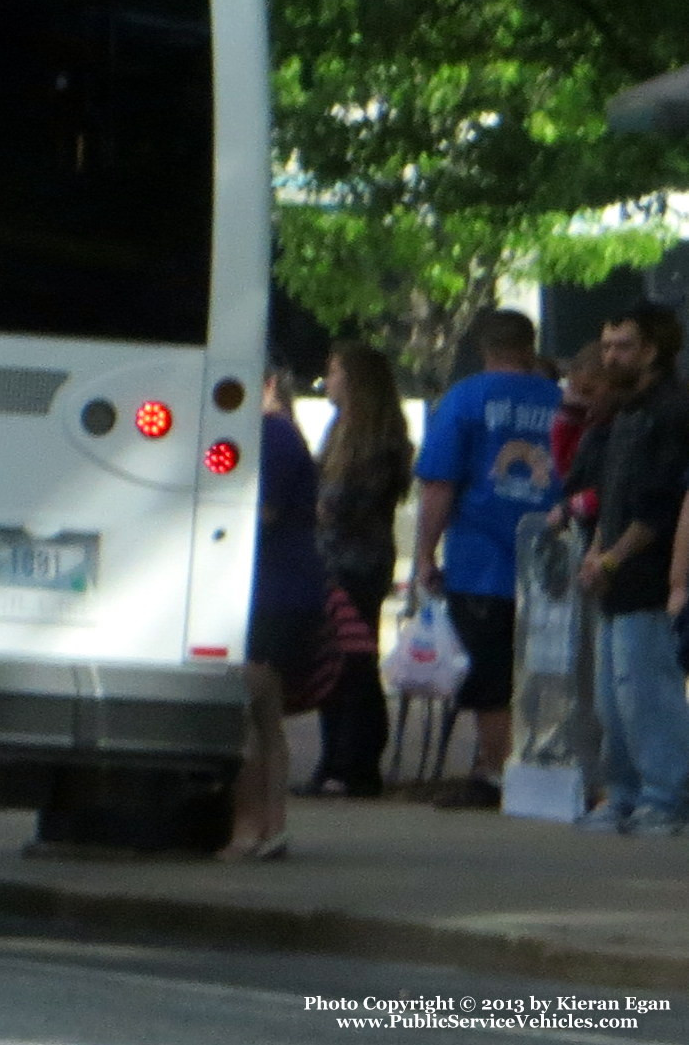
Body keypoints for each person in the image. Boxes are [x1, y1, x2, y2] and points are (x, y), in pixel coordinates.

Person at [411, 308, 562, 809]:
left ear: (482, 348)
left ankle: (494, 772)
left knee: (488, 672)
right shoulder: (561, 402)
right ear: (529, 345)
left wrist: (423, 555)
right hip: (551, 561)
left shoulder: (465, 399)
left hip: (482, 561)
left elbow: (440, 483)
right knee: (542, 670)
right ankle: (540, 764)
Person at [583, 303, 689, 835]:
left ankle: (665, 795)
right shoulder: (627, 412)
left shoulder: (672, 411)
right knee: (613, 697)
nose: (610, 356)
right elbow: (613, 497)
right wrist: (598, 550)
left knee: (647, 691)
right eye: (606, 345)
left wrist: (611, 556)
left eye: (622, 345)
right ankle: (624, 792)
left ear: (652, 349)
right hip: (619, 576)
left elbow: (660, 504)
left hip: (647, 577)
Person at [300, 342, 413, 798]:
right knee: (335, 660)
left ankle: (356, 762)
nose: (328, 379)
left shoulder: (377, 440)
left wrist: (317, 502)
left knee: (354, 660)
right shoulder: (339, 430)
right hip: (332, 559)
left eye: (335, 371)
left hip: (357, 562)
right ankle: (335, 759)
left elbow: (342, 504)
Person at [229, 368, 332, 859]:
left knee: (252, 710)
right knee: (264, 714)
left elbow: (262, 511)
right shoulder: (277, 434)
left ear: (268, 382)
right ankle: (270, 828)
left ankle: (253, 827)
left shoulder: (272, 435)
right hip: (280, 590)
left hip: (275, 592)